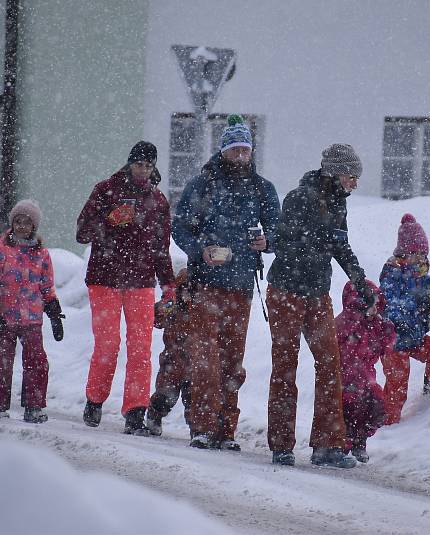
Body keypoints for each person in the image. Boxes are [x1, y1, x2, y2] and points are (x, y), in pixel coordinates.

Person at [172, 115, 280, 451]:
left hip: (243, 285)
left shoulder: (262, 188)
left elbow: (279, 229)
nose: (240, 155)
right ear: (223, 151)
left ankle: (226, 430)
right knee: (206, 358)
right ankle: (203, 428)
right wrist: (199, 251)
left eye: (245, 149)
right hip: (207, 283)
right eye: (234, 149)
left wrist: (268, 242)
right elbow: (180, 228)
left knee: (234, 360)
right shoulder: (203, 185)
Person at [266, 143, 375, 468]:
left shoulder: (339, 204)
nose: (355, 183)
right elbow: (285, 242)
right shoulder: (299, 198)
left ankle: (327, 445)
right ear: (334, 172)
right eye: (351, 175)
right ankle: (282, 445)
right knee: (285, 365)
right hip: (286, 290)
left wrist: (360, 282)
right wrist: (312, 248)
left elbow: (341, 246)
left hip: (317, 293)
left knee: (330, 365)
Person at [77, 141, 175, 435]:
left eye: (148, 165)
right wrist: (108, 221)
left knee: (141, 348)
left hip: (141, 279)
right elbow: (82, 231)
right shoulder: (106, 190)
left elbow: (161, 247)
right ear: (129, 164)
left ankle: (135, 412)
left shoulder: (158, 202)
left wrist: (168, 283)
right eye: (139, 164)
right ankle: (95, 399)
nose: (143, 170)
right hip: (105, 277)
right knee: (108, 344)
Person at [0, 199, 64, 423]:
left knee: (37, 362)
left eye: (27, 222)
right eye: (18, 221)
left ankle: (34, 406)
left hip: (32, 318)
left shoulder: (42, 255)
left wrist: (54, 312)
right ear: (12, 223)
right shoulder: (0, 253)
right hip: (4, 317)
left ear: (34, 226)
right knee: (0, 362)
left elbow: (46, 286)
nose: (21, 226)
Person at [379, 213, 430, 425]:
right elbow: (391, 306)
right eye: (415, 253)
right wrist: (414, 305)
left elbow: (425, 312)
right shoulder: (392, 275)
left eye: (423, 254)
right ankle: (388, 422)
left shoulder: (423, 278)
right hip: (392, 340)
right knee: (398, 378)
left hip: (414, 338)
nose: (420, 258)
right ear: (404, 254)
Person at [334, 280, 396, 463]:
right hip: (344, 377)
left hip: (367, 376)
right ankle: (344, 443)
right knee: (347, 410)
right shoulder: (345, 323)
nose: (375, 308)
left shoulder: (376, 325)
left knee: (374, 406)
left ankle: (360, 441)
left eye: (378, 304)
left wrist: (387, 327)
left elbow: (388, 343)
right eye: (372, 303)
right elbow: (333, 345)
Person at [145, 268, 194, 436]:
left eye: (191, 288)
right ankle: (154, 415)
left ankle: (197, 429)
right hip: (171, 365)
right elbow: (153, 317)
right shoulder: (172, 308)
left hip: (195, 367)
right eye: (183, 288)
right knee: (165, 397)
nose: (187, 292)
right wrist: (161, 308)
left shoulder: (200, 312)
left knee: (194, 401)